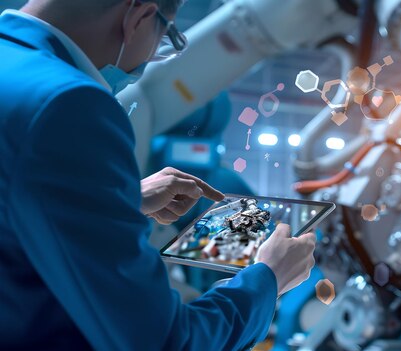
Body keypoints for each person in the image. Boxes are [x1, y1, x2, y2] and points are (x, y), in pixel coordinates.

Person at [0, 0, 316, 350]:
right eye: (169, 36)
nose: (154, 55)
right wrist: (268, 279)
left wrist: (115, 200)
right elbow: (166, 341)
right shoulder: (69, 105)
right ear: (140, 15)